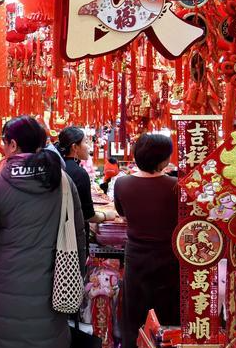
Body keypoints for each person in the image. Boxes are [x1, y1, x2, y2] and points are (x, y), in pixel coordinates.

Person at [0, 116, 87, 348]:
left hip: (6, 290)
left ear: (14, 145)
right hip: (53, 288)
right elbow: (78, 238)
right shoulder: (64, 181)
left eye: (5, 143)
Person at [113, 133, 180, 338]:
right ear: (165, 159)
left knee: (136, 314)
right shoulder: (176, 186)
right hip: (169, 257)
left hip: (136, 257)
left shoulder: (121, 184)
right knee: (167, 314)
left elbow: (122, 213)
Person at [57, 127, 106, 225]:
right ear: (74, 147)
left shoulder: (57, 166)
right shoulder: (80, 173)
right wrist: (106, 215)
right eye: (85, 142)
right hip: (74, 233)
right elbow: (88, 216)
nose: (88, 146)